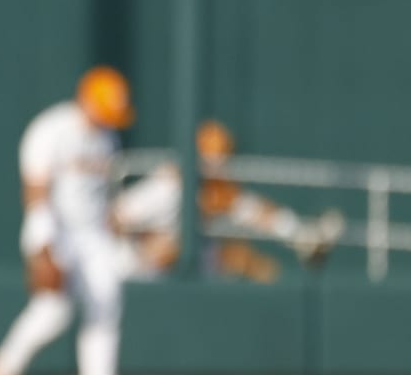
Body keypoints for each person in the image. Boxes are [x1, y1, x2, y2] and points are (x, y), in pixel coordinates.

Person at [0, 66, 135, 375]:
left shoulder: (108, 137)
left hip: (93, 235)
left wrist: (118, 228)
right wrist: (42, 247)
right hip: (56, 231)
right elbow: (36, 192)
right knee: (53, 312)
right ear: (86, 99)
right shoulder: (51, 129)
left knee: (107, 303)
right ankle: (1, 369)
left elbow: (103, 197)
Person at [113, 119, 344, 284]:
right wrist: (152, 242)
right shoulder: (167, 186)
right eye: (212, 159)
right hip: (137, 269)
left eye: (222, 159)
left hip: (186, 267)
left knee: (240, 257)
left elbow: (255, 212)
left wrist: (300, 233)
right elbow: (115, 218)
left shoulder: (217, 189)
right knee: (202, 250)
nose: (218, 166)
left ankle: (288, 270)